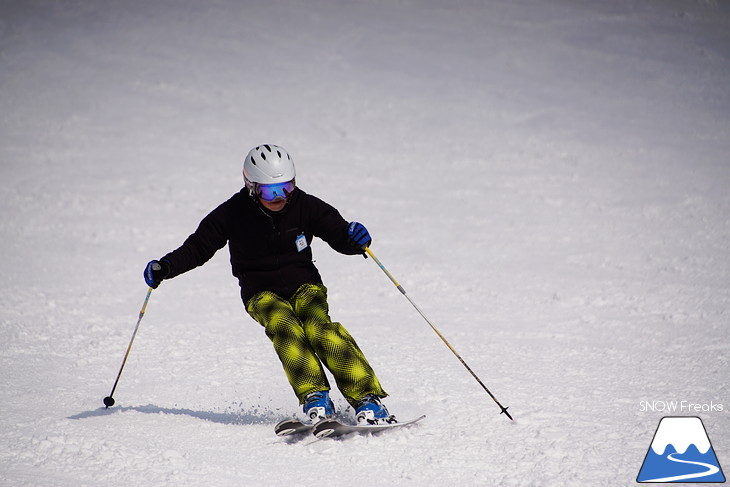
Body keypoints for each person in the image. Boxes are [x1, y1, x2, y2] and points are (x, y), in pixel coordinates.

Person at [144, 144, 394, 425]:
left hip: (305, 285)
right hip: (260, 292)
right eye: (269, 191)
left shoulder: (305, 205)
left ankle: (367, 399)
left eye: (286, 187)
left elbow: (338, 232)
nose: (280, 197)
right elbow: (198, 248)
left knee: (319, 328)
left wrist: (355, 239)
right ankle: (316, 398)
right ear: (251, 187)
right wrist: (165, 267)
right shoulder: (232, 214)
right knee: (284, 327)